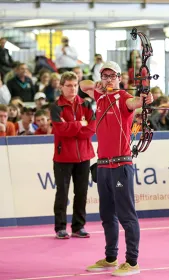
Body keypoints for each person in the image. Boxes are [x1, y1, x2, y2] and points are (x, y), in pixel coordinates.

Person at [80, 61, 153, 277]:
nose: (109, 79)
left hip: (121, 165)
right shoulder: (100, 96)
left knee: (126, 215)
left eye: (113, 76)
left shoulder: (122, 97)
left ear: (120, 78)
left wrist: (144, 99)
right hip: (103, 165)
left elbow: (135, 102)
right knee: (107, 214)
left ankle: (132, 262)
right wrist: (98, 84)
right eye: (106, 76)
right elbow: (83, 85)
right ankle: (111, 258)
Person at [50, 71, 95, 239]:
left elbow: (91, 129)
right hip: (63, 157)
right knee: (62, 193)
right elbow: (60, 130)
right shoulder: (56, 107)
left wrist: (72, 127)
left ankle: (78, 226)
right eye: (69, 86)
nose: (73, 89)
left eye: (75, 85)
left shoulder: (86, 105)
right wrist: (79, 125)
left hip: (84, 156)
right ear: (61, 87)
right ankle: (60, 227)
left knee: (81, 192)